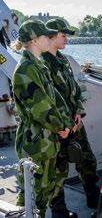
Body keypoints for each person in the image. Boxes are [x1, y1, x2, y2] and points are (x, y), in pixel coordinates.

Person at [12, 20, 75, 218]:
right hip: (36, 142)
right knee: (32, 193)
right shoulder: (26, 70)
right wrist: (60, 126)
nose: (50, 39)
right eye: (46, 36)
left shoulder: (39, 66)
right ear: (35, 40)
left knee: (45, 189)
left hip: (48, 140)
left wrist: (66, 124)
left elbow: (55, 100)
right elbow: (41, 108)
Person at [41, 18, 100, 217]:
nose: (67, 39)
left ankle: (94, 198)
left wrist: (77, 112)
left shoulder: (63, 60)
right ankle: (59, 212)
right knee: (58, 171)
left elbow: (74, 90)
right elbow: (47, 100)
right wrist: (65, 122)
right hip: (57, 127)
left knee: (88, 160)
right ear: (51, 36)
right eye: (63, 35)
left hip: (74, 123)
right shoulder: (41, 64)